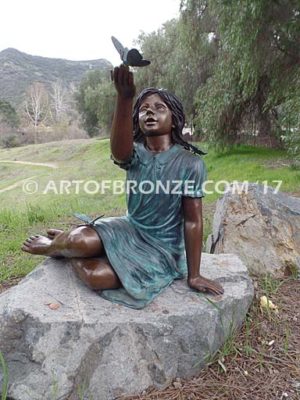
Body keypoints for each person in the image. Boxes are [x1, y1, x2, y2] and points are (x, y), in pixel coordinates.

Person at [21, 65, 224, 309]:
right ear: (136, 119)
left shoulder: (190, 164)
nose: (150, 113)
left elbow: (193, 221)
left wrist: (195, 274)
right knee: (80, 241)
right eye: (144, 109)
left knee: (96, 276)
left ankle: (68, 251)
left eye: (160, 108)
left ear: (174, 119)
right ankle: (57, 247)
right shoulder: (135, 153)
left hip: (161, 249)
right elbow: (119, 151)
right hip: (128, 227)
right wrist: (125, 98)